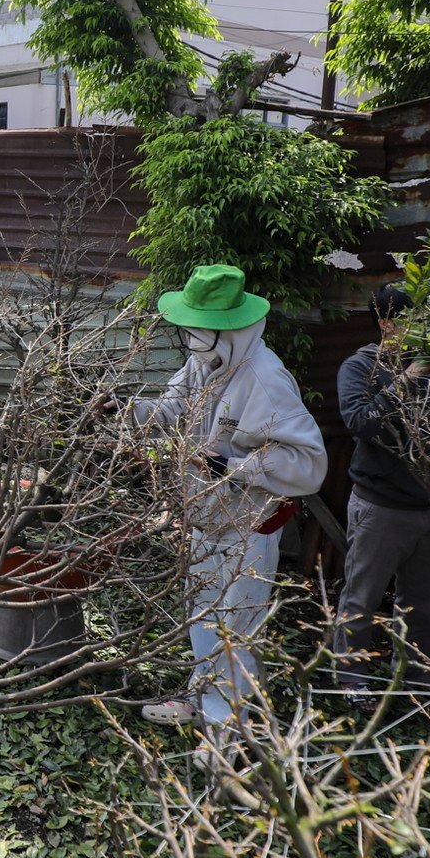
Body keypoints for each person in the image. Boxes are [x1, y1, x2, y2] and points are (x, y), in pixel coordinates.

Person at [128, 264, 328, 729]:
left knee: (233, 627)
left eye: (198, 330)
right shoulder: (206, 360)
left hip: (249, 526)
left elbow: (308, 463)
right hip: (207, 515)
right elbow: (175, 407)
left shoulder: (264, 379)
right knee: (203, 613)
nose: (190, 337)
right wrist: (128, 410)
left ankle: (229, 732)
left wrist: (231, 468)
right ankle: (207, 702)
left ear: (227, 329)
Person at [332, 283, 430, 691]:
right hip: (380, 506)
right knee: (361, 601)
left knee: (422, 605)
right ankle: (351, 682)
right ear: (386, 323)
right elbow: (361, 423)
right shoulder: (360, 366)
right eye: (412, 322)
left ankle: (417, 680)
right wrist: (406, 380)